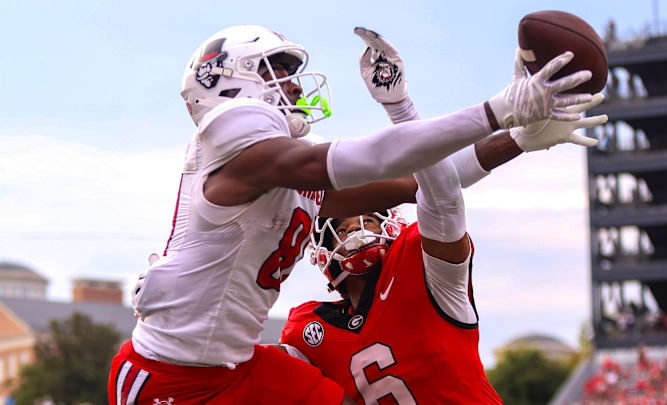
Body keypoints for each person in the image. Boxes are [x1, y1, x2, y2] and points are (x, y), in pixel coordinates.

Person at [108, 24, 594, 404]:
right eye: (277, 70)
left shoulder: (285, 173)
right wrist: (498, 109)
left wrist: (518, 138)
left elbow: (425, 181)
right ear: (230, 84)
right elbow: (368, 159)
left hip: (238, 365)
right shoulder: (240, 153)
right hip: (169, 374)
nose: (295, 87)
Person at [278, 29, 606, 404]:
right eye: (343, 223)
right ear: (318, 247)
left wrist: (401, 109)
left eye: (368, 218)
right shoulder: (307, 330)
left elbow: (440, 192)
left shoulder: (419, 262)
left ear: (390, 224)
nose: (356, 225)